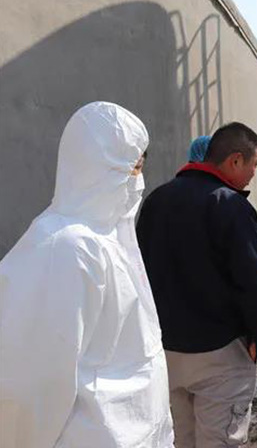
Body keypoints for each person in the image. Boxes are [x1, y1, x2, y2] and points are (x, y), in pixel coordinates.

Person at [0, 102, 174, 447]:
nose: (137, 180)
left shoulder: (109, 237)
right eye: (132, 168)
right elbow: (29, 385)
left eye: (139, 168)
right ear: (98, 165)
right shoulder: (64, 247)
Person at [136, 121, 257, 447]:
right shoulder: (231, 205)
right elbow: (254, 280)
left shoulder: (156, 200)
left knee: (180, 438)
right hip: (220, 353)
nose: (254, 174)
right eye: (254, 165)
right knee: (219, 439)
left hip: (165, 349)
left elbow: (138, 270)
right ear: (235, 160)